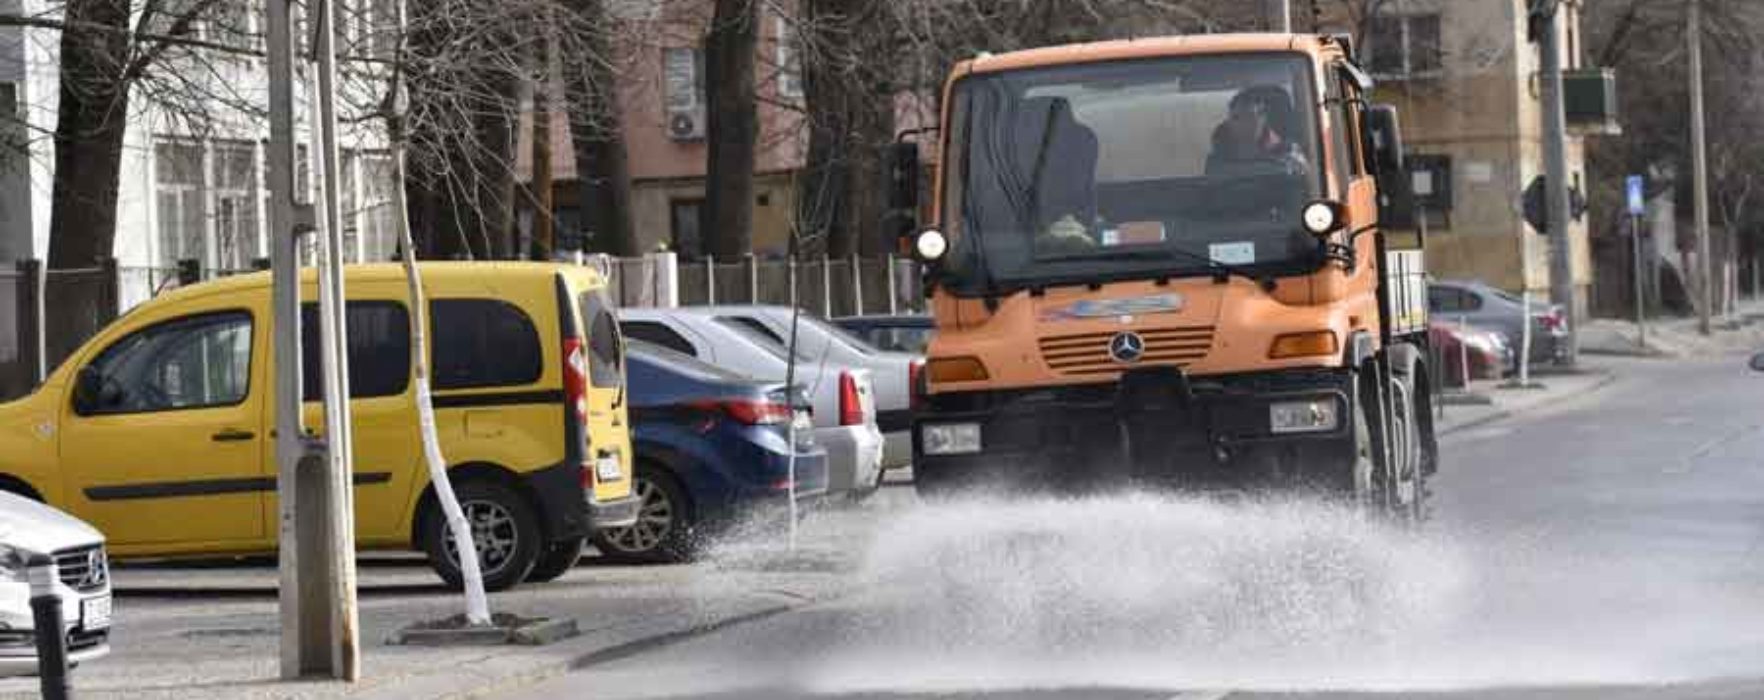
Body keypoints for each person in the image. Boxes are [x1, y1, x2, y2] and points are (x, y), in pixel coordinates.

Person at [1205, 86, 1309, 177]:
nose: (1243, 123)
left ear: (1263, 118)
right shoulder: (1218, 162)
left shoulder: (1289, 155)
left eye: (1249, 116)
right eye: (1236, 117)